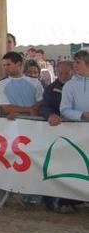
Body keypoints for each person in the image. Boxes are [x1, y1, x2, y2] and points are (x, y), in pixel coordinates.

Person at [38, 60, 81, 212]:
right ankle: (50, 199)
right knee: (55, 166)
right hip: (57, 134)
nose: (62, 76)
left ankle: (71, 200)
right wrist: (50, 115)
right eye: (60, 73)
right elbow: (44, 107)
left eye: (66, 73)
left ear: (73, 72)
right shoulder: (51, 88)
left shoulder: (79, 86)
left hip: (78, 134)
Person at [0, 52, 43, 121]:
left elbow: (41, 102)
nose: (5, 68)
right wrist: (29, 110)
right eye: (4, 65)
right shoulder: (1, 84)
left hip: (34, 122)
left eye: (8, 65)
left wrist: (27, 112)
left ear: (18, 64)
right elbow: (6, 107)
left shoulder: (35, 82)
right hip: (13, 123)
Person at [60, 50, 89, 122]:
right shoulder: (69, 85)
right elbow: (64, 110)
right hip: (77, 129)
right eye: (74, 62)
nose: (74, 65)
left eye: (78, 62)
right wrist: (82, 114)